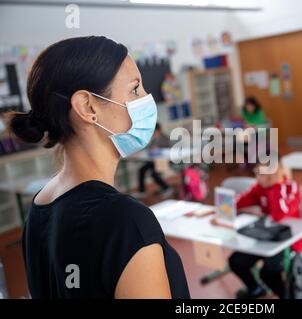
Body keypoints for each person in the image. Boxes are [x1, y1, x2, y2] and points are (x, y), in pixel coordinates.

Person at [8, 36, 190, 299]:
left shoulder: (40, 207)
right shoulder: (126, 222)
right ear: (87, 107)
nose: (146, 99)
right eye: (135, 90)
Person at [228, 161, 302, 299]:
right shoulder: (259, 187)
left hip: (289, 241)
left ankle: (286, 296)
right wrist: (224, 207)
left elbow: (279, 214)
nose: (256, 177)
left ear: (272, 175)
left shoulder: (290, 187)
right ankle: (256, 290)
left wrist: (276, 186)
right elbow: (240, 201)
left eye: (259, 174)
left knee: (269, 272)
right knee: (236, 261)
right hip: (266, 237)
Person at [136, 123, 173, 198]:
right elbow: (148, 150)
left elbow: (169, 151)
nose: (152, 133)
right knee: (142, 170)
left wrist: (158, 150)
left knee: (154, 174)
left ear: (159, 130)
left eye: (154, 131)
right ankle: (142, 191)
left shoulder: (165, 138)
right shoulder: (153, 139)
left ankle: (167, 188)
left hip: (165, 161)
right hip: (154, 161)